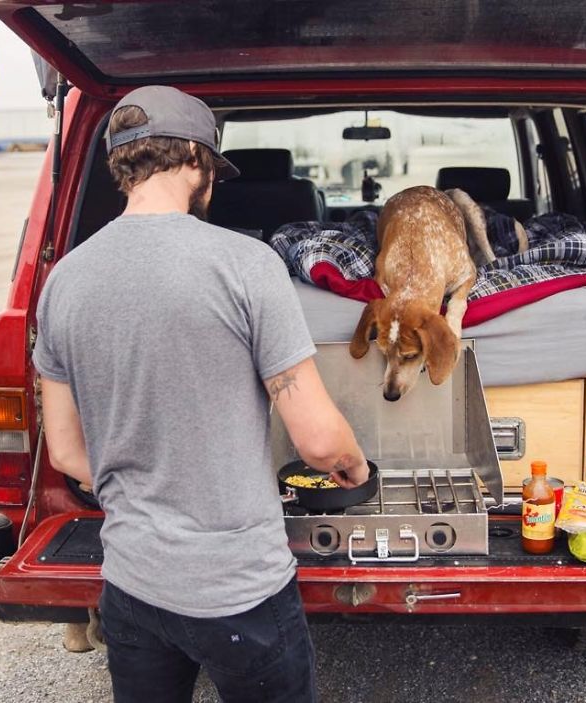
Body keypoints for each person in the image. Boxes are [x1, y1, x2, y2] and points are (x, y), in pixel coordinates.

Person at [33, 85, 369, 703]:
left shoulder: (63, 281)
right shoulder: (246, 264)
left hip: (131, 587)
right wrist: (354, 465)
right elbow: (319, 442)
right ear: (193, 155)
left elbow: (66, 453)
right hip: (239, 591)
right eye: (212, 166)